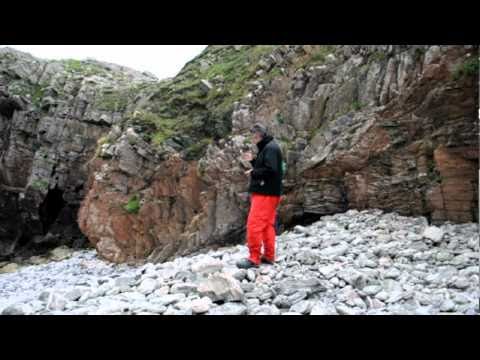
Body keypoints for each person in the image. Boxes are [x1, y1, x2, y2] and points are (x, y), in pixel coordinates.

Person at [236, 123, 284, 269]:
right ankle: (269, 256)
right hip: (270, 192)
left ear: (258, 135)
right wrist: (252, 160)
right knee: (267, 225)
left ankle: (254, 258)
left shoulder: (270, 148)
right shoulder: (269, 146)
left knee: (254, 224)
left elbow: (271, 170)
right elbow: (267, 166)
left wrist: (253, 173)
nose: (252, 138)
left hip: (265, 193)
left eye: (253, 135)